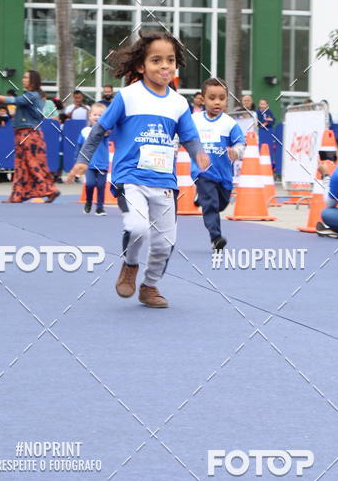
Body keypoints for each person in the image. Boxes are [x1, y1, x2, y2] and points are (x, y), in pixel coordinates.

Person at [67, 29, 209, 309]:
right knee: (138, 226)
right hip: (129, 177)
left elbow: (190, 137)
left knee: (165, 242)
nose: (164, 66)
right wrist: (83, 159)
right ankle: (130, 265)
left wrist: (198, 155)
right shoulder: (127, 97)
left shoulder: (179, 103)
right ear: (141, 66)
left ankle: (150, 285)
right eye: (156, 60)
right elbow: (99, 130)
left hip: (164, 182)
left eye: (170, 60)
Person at [0, 70, 59, 204]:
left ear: (33, 81)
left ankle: (50, 190)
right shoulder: (33, 96)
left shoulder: (33, 96)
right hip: (23, 133)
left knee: (33, 164)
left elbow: (14, 100)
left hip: (29, 134)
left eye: (25, 77)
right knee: (21, 165)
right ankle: (17, 195)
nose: (23, 79)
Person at [190, 78, 245, 251]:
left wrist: (236, 152)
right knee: (211, 204)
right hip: (203, 172)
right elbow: (182, 135)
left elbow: (240, 144)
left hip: (224, 174)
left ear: (227, 100)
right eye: (212, 98)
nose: (217, 102)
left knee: (221, 203)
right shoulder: (194, 120)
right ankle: (216, 237)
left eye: (221, 98)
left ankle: (201, 198)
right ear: (203, 99)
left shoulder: (229, 123)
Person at [75, 102, 110, 215]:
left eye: (100, 115)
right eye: (95, 115)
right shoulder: (84, 131)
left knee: (101, 185)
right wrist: (78, 160)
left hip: (102, 163)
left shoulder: (104, 131)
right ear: (89, 116)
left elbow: (107, 133)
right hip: (89, 164)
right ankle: (88, 201)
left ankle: (100, 207)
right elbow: (79, 146)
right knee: (89, 184)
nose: (97, 117)